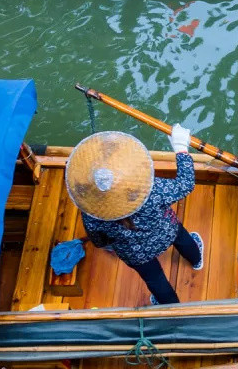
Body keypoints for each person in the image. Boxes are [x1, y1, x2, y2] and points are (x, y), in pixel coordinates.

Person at [64, 125, 202, 305]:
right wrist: (181, 148)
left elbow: (99, 241)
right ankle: (196, 260)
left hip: (135, 253)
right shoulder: (151, 190)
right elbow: (186, 184)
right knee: (182, 238)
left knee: (155, 279)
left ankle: (171, 307)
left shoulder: (92, 214)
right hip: (166, 230)